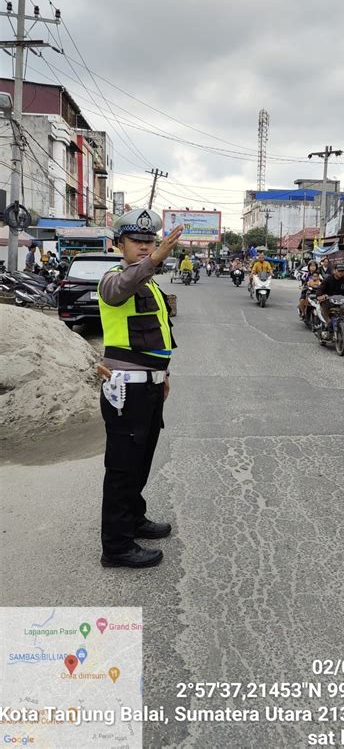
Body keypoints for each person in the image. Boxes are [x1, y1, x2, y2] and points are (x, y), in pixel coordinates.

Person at [97, 208, 183, 568]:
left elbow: (156, 338)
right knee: (122, 466)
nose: (147, 248)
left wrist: (163, 376)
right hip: (126, 391)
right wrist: (156, 260)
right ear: (118, 244)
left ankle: (134, 518)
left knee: (141, 459)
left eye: (151, 242)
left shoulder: (148, 283)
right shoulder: (113, 280)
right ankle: (115, 547)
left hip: (149, 386)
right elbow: (120, 290)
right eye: (138, 241)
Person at [317, 262, 344, 330]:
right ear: (334, 271)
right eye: (339, 271)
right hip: (328, 301)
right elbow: (320, 289)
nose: (341, 273)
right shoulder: (327, 280)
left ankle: (341, 324)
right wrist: (320, 296)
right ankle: (328, 323)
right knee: (324, 310)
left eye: (342, 271)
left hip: (339, 302)